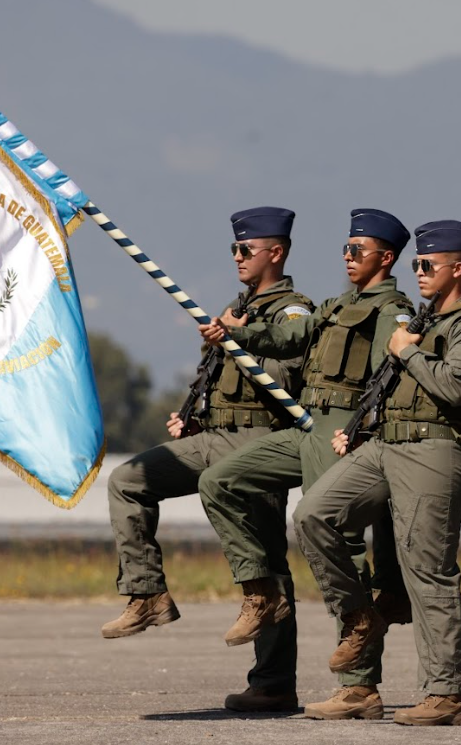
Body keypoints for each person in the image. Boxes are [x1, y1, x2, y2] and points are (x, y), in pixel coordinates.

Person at [196, 209, 415, 717]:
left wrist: (363, 432)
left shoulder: (393, 310)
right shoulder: (338, 305)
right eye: (345, 248)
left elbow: (390, 375)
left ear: (386, 258)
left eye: (358, 250)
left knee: (341, 544)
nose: (347, 256)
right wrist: (236, 334)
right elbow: (291, 339)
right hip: (307, 424)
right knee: (220, 481)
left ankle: (359, 686)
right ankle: (261, 592)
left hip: (342, 432)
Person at [292, 220, 461, 726]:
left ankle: (445, 695)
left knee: (427, 570)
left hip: (435, 450)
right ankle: (360, 617)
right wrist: (360, 429)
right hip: (385, 444)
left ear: (458, 268)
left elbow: (456, 388)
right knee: (313, 515)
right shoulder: (421, 323)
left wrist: (407, 349)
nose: (420, 272)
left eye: (428, 265)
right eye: (416, 265)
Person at [99, 206, 311, 698]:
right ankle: (146, 593)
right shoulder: (233, 309)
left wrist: (237, 337)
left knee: (268, 559)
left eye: (246, 249)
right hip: (214, 435)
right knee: (128, 481)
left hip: (260, 439)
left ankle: (273, 683)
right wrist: (192, 416)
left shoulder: (293, 312)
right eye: (234, 248)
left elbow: (287, 365)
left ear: (275, 252)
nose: (237, 256)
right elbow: (214, 379)